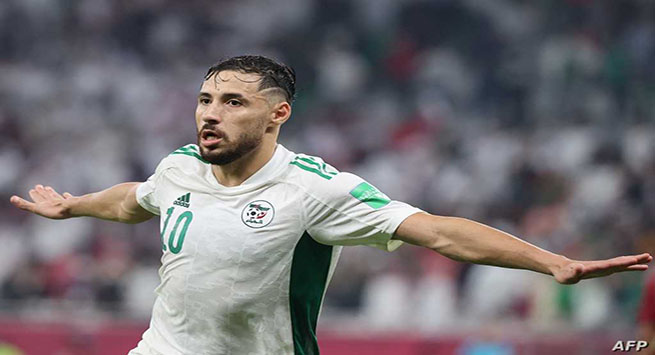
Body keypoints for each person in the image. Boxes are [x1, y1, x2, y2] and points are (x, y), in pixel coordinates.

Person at [9, 55, 652, 355]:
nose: (210, 114)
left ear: (277, 114)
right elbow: (136, 202)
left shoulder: (316, 190)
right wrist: (77, 208)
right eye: (206, 99)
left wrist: (553, 264)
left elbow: (439, 232)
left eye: (233, 102)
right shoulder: (180, 165)